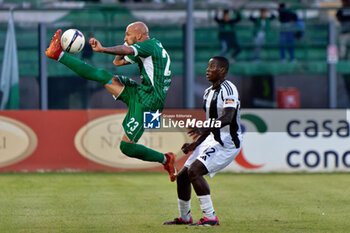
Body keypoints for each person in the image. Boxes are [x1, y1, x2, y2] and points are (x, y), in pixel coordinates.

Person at [45, 21, 177, 181]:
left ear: (139, 35)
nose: (125, 37)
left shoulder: (149, 46)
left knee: (126, 147)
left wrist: (102, 49)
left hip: (150, 103)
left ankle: (166, 159)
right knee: (102, 75)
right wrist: (126, 43)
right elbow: (118, 62)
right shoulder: (150, 47)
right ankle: (58, 54)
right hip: (143, 93)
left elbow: (126, 50)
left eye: (128, 34)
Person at [163, 56, 242, 226]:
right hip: (212, 139)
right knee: (183, 176)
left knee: (195, 171)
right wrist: (195, 144)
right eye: (208, 66)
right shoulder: (208, 92)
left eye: (212, 66)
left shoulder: (229, 89)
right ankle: (185, 218)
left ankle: (210, 218)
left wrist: (203, 129)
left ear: (222, 70)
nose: (207, 69)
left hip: (227, 142)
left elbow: (228, 117)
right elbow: (210, 125)